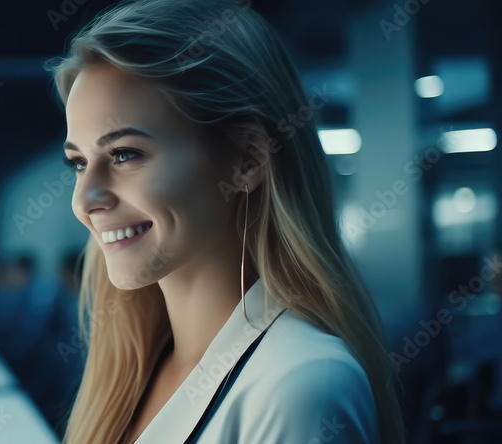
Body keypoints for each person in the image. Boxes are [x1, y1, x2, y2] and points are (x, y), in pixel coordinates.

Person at [45, 0, 406, 442]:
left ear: (247, 160)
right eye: (78, 163)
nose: (86, 199)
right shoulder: (136, 367)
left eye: (125, 154)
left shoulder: (301, 385)